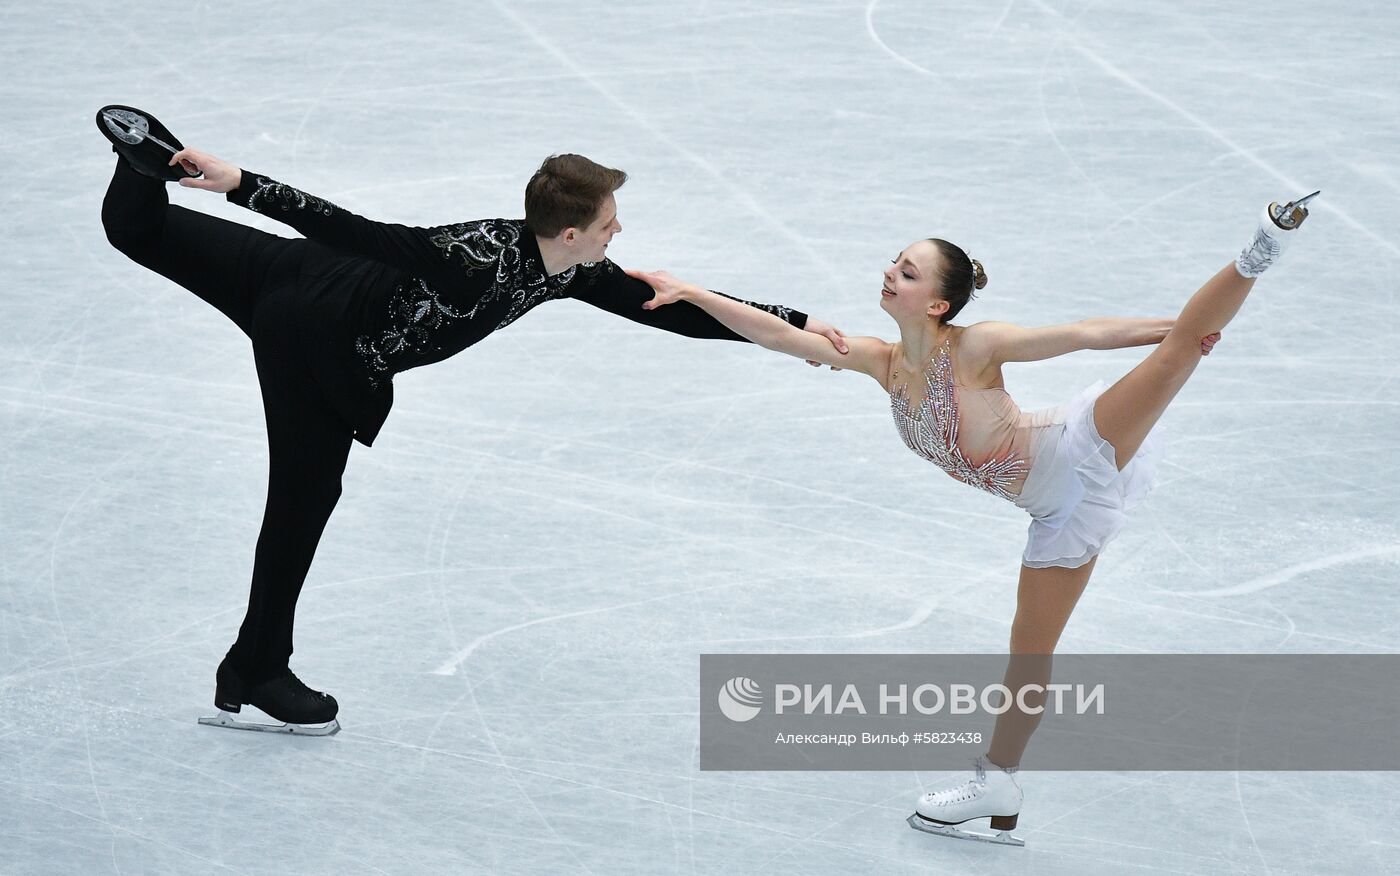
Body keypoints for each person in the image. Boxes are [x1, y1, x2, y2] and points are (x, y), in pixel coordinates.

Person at [95, 104, 848, 735]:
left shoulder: (565, 268)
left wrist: (800, 329)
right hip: (315, 342)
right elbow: (351, 227)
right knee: (302, 502)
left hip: (302, 280)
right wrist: (241, 184)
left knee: (143, 229)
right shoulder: (475, 257)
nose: (620, 232)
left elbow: (672, 312)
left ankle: (142, 166)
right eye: (611, 223)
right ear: (573, 233)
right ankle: (255, 669)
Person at [626, 191, 1316, 844]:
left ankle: (1262, 246)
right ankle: (999, 787)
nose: (890, 274)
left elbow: (1081, 333)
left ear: (939, 303)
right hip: (1053, 516)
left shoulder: (977, 347)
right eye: (895, 264)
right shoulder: (881, 363)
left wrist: (1180, 330)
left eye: (907, 270)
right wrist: (691, 291)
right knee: (1028, 656)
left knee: (1172, 360)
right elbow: (777, 336)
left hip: (1077, 450)